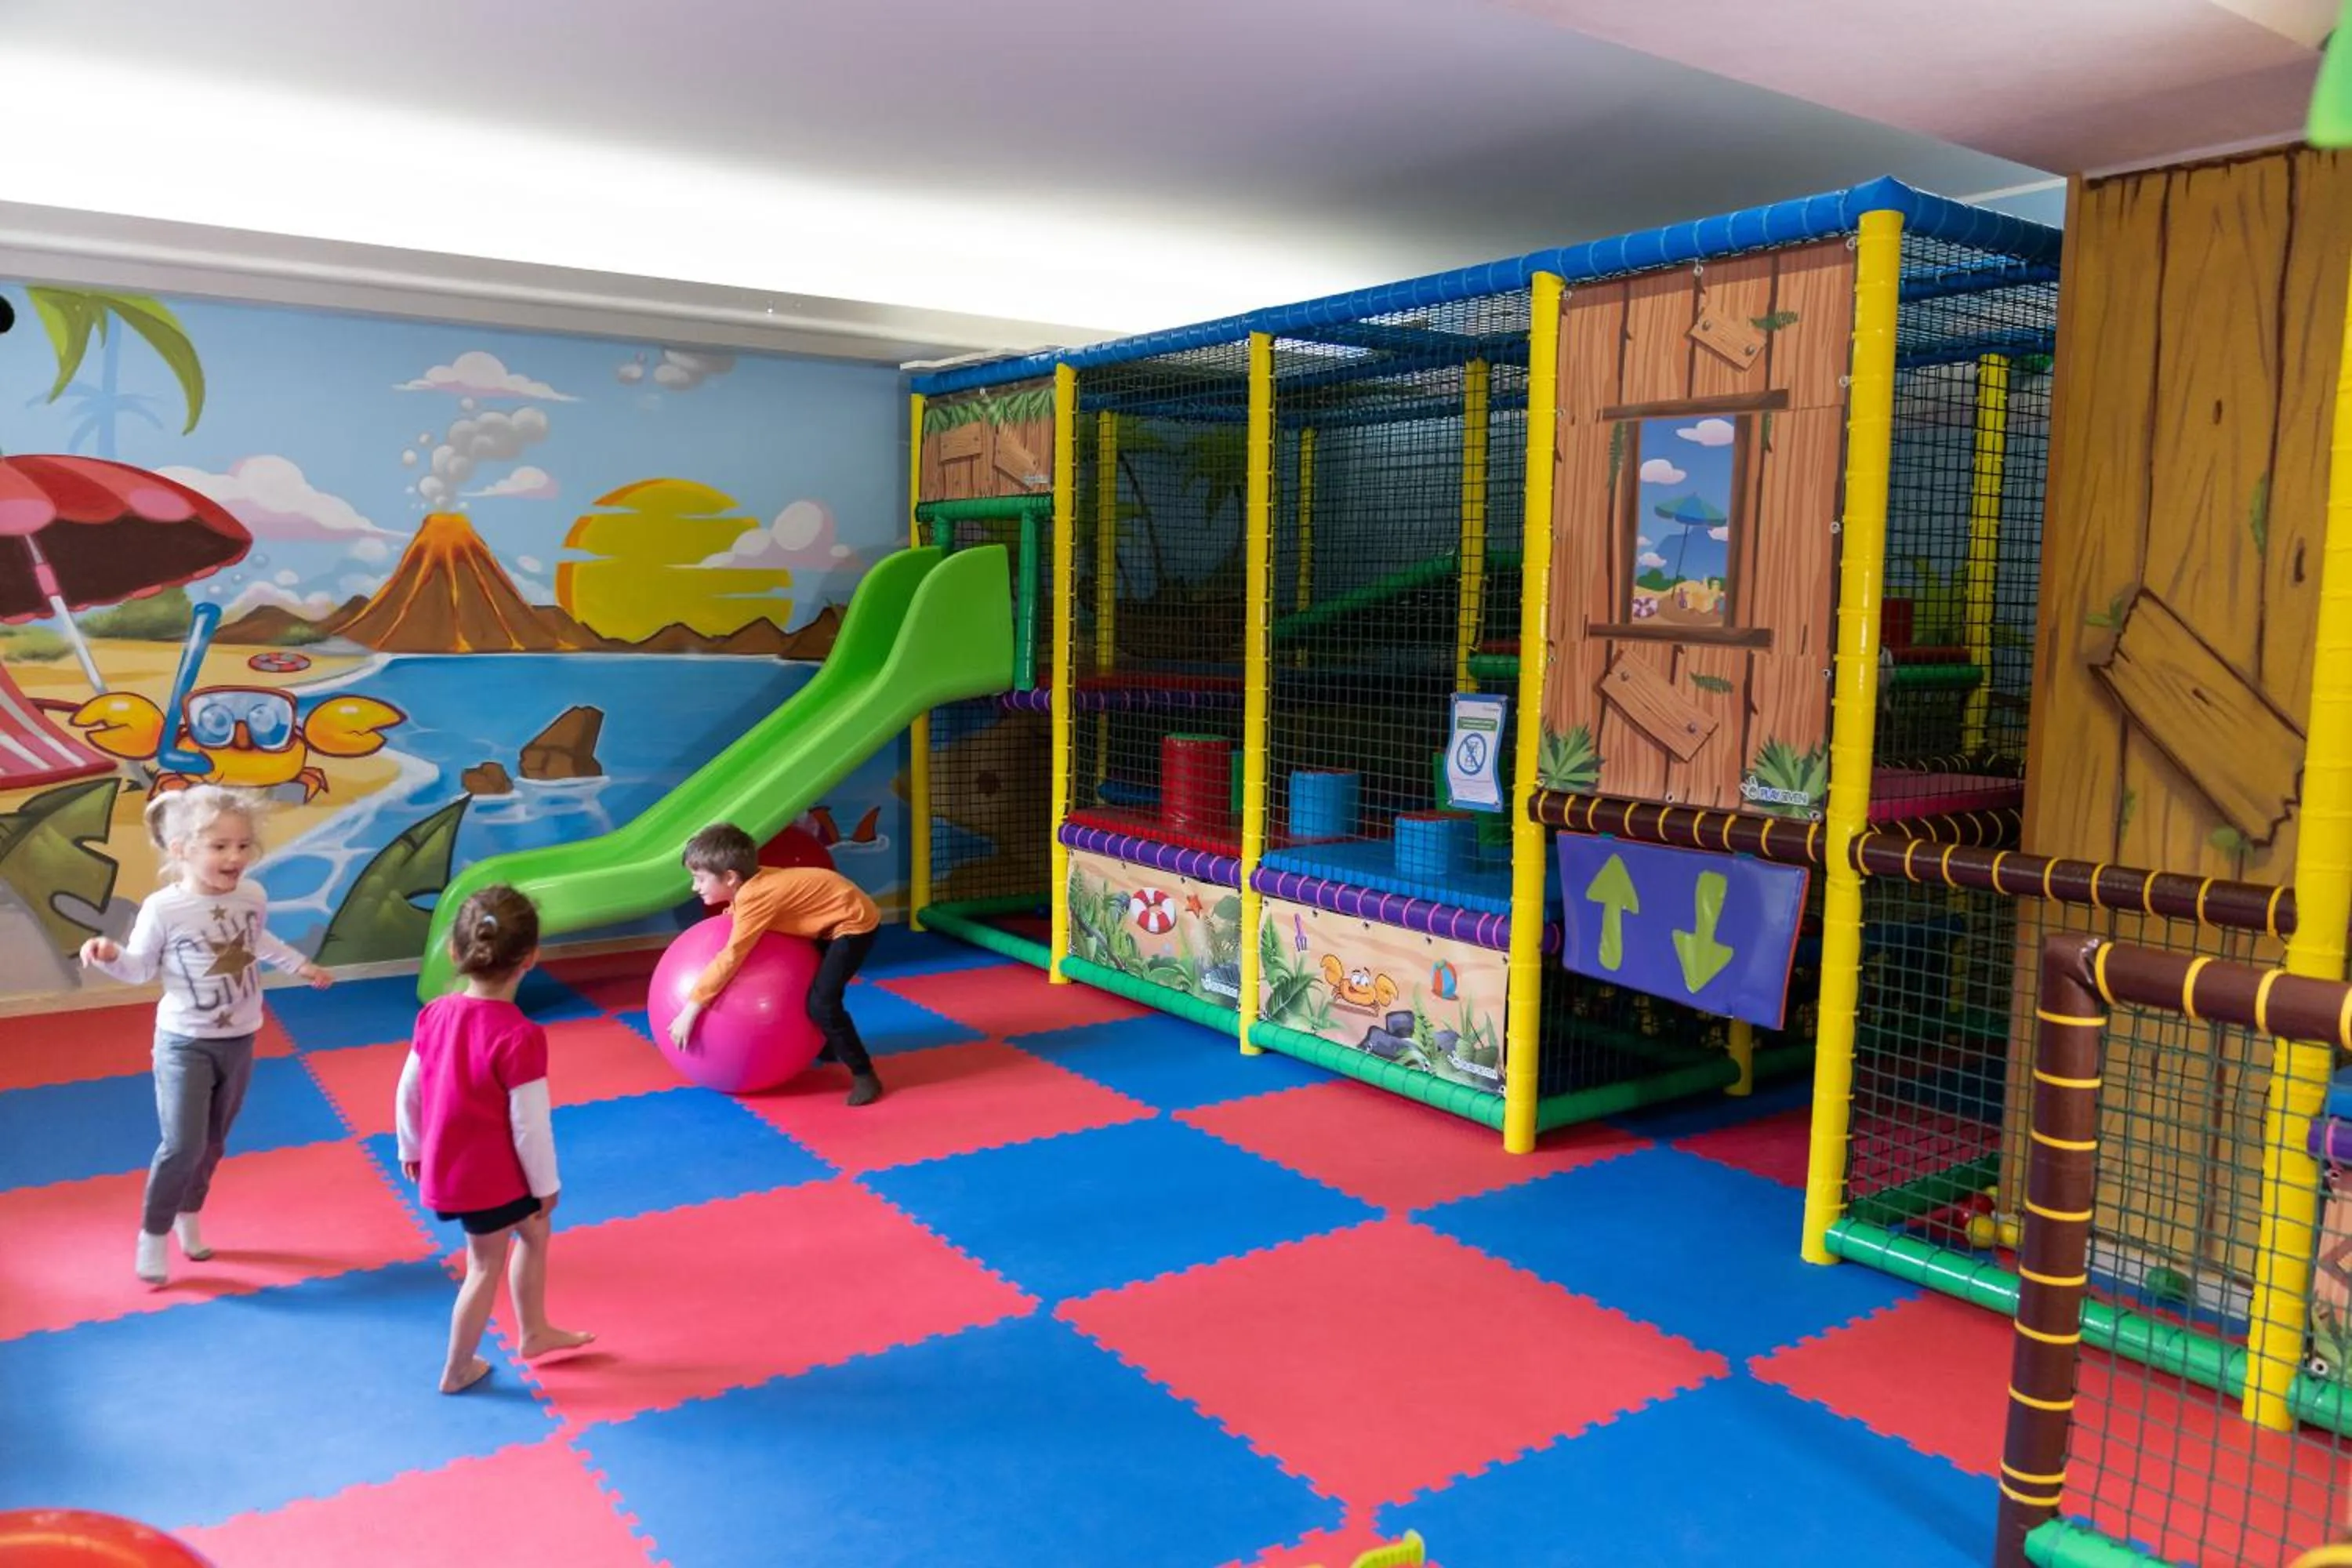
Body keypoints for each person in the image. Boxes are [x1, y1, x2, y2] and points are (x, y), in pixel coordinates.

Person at [79, 785, 332, 1287]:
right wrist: (111, 957)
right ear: (182, 851)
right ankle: (153, 1233)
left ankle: (188, 1216)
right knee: (182, 1143)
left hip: (240, 1038)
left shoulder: (252, 895)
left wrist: (299, 964)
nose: (235, 857)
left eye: (243, 845)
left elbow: (255, 938)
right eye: (219, 847)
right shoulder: (163, 908)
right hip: (183, 1042)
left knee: (213, 1142)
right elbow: (138, 970)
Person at [395, 884, 593, 1394]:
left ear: (456, 954)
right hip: (489, 1176)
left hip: (450, 1164)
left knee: (533, 1234)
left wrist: (409, 1145)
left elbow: (409, 1087)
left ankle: (534, 1332)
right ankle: (458, 1367)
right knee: (484, 1265)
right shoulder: (518, 1035)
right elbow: (530, 1124)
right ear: (531, 959)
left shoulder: (434, 1014)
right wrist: (546, 1185)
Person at [671, 822, 884, 1106]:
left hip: (853, 924)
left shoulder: (756, 896)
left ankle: (864, 1074)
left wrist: (691, 1009)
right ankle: (830, 1044)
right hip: (830, 914)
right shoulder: (752, 884)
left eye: (699, 878)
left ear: (731, 877)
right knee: (814, 991)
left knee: (823, 1003)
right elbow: (746, 908)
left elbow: (732, 956)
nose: (694, 887)